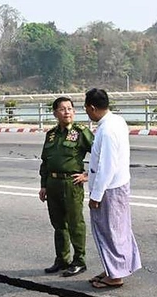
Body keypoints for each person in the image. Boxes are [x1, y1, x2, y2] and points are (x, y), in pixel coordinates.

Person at [83, 88, 142, 289]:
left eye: (86, 109)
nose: (87, 113)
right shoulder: (117, 121)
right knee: (119, 229)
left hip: (110, 189)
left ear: (92, 107)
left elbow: (107, 166)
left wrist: (96, 195)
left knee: (109, 232)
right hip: (119, 184)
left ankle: (115, 275)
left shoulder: (107, 130)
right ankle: (113, 268)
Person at [38, 97, 94, 276]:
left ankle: (79, 260)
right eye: (62, 109)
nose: (67, 112)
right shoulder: (51, 135)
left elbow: (99, 153)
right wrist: (43, 185)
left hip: (71, 183)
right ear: (55, 113)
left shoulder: (81, 132)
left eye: (70, 108)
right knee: (58, 224)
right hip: (53, 183)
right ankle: (62, 259)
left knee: (75, 223)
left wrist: (88, 175)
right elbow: (45, 162)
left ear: (74, 112)